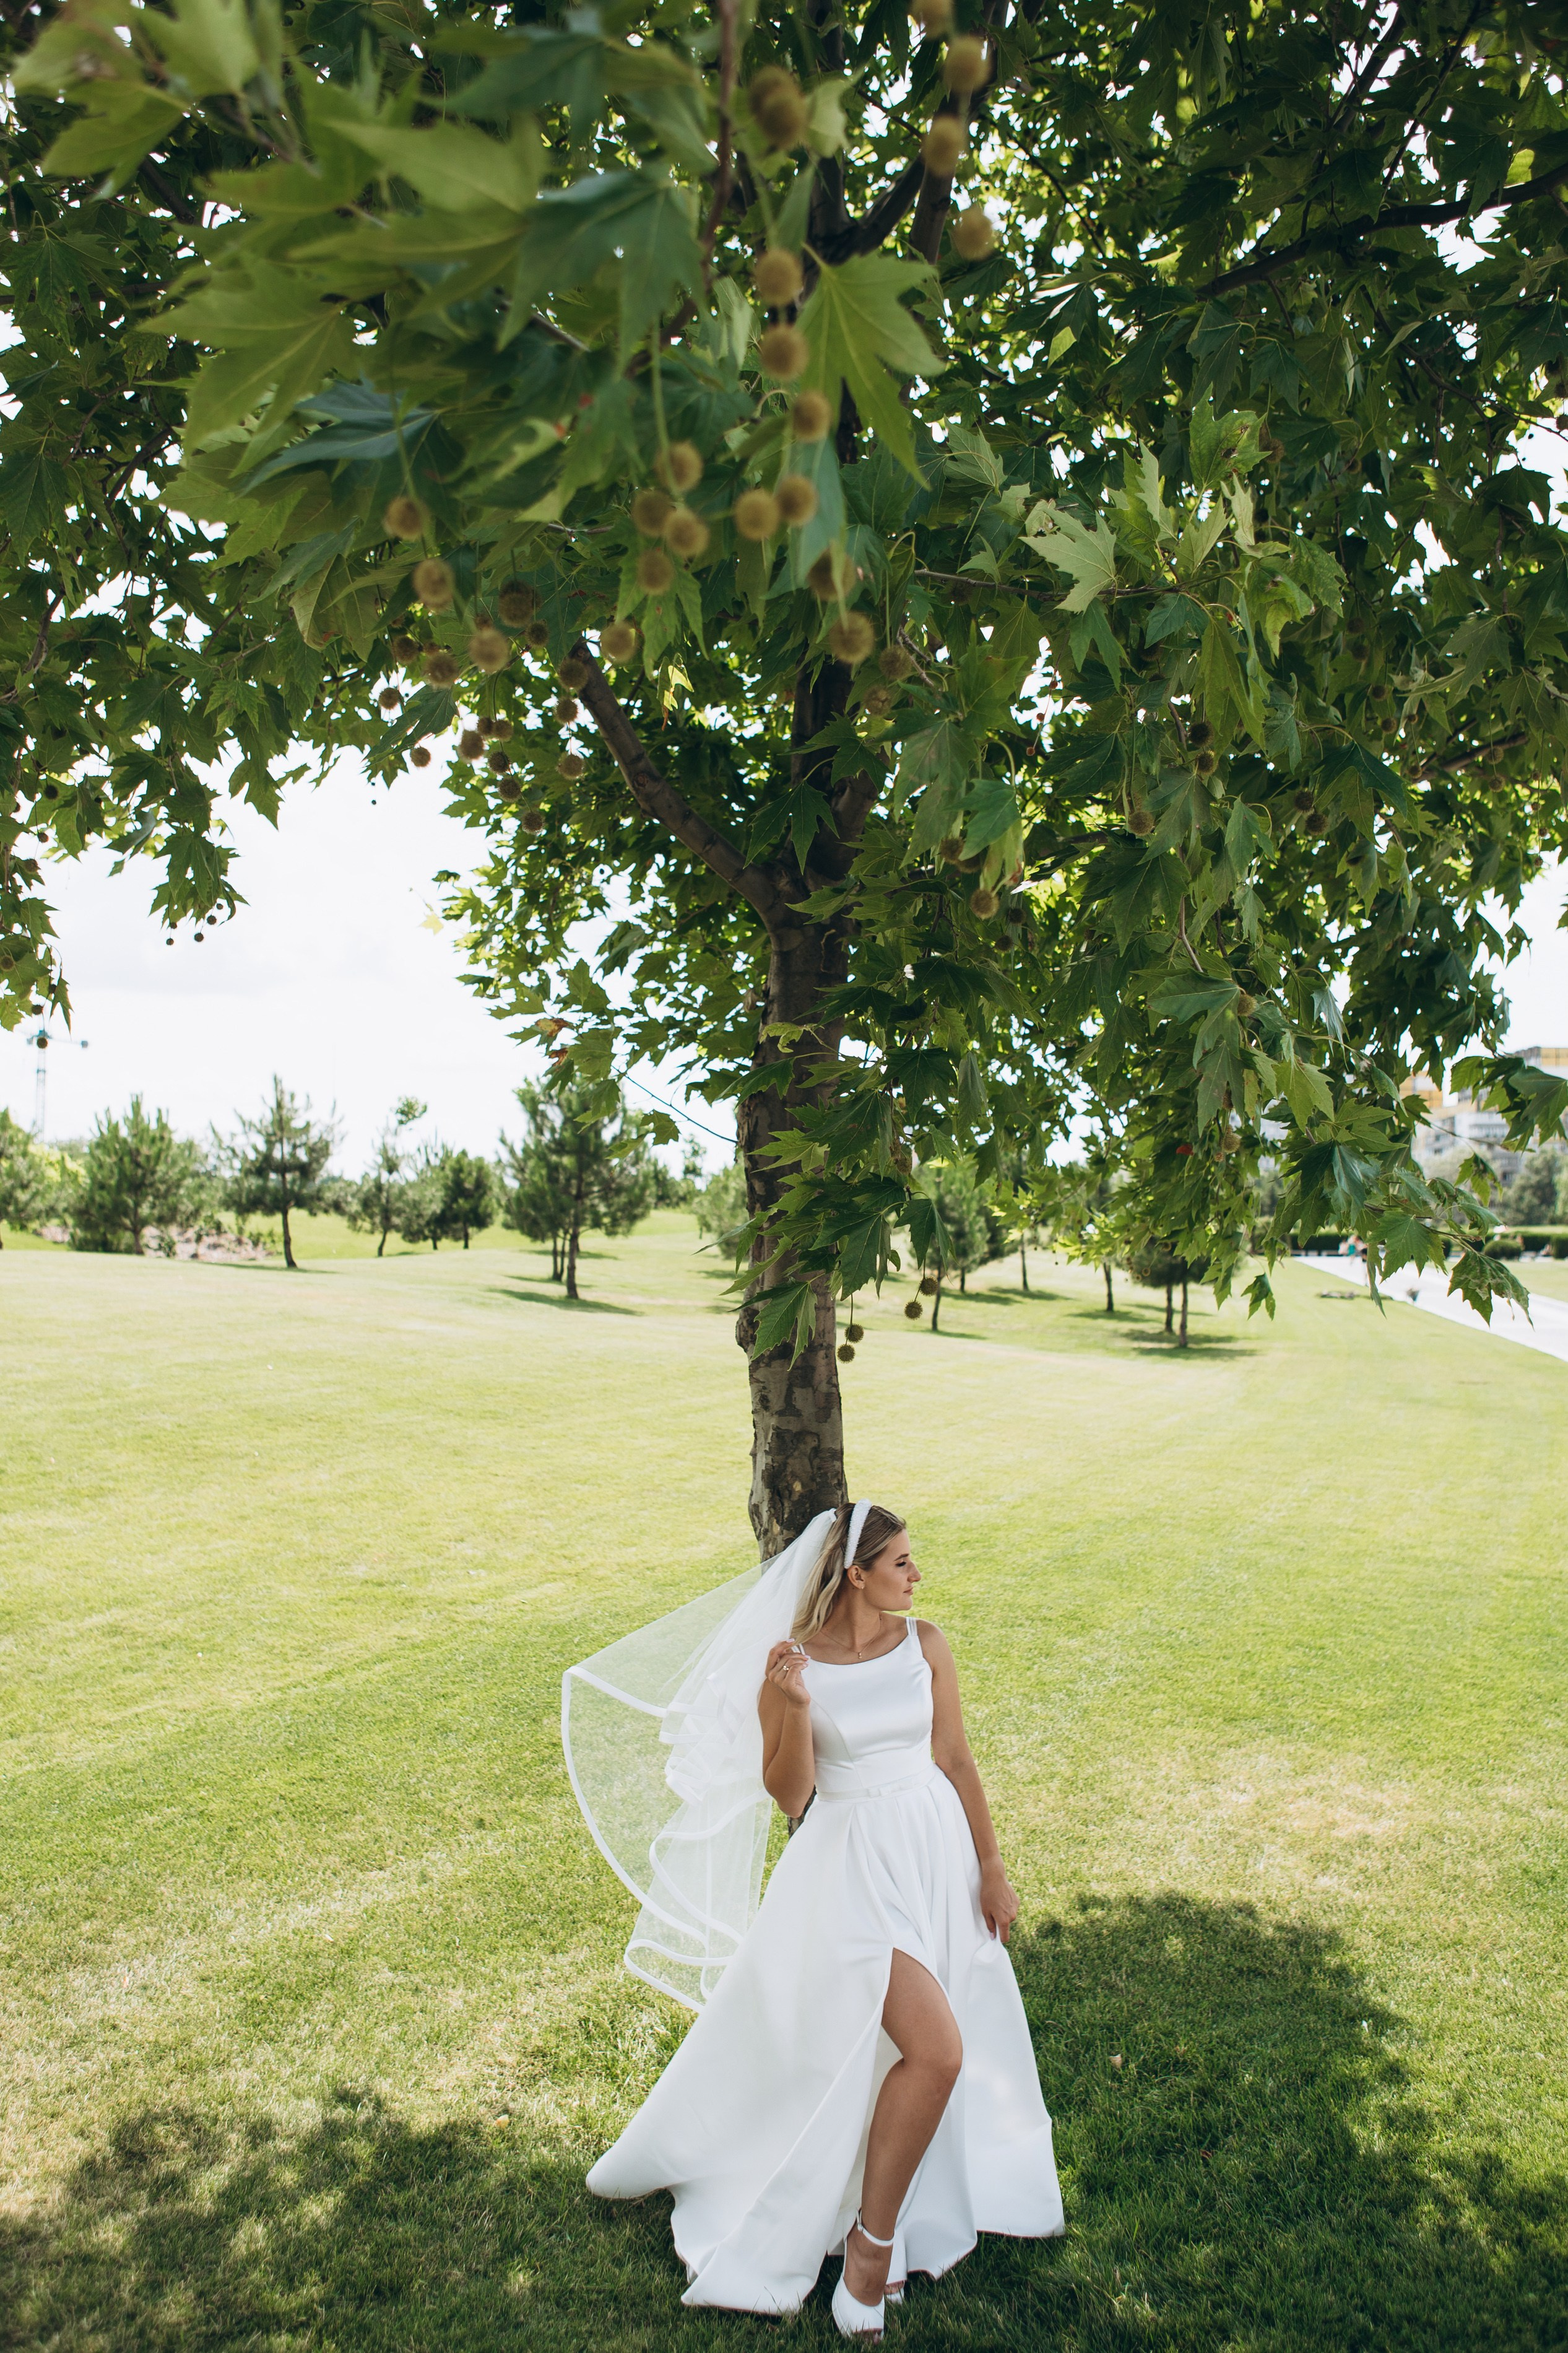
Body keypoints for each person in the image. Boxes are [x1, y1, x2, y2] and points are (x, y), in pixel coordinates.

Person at [565, 1500, 1063, 2334]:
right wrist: (793, 1707)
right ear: (855, 1573)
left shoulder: (925, 1646)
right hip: (849, 1873)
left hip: (932, 1855)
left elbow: (954, 1758)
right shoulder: (790, 1666)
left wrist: (989, 1866)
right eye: (900, 1562)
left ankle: (884, 2216)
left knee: (899, 2053)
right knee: (935, 2052)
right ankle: (869, 2253)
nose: (915, 1575)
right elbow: (790, 1794)